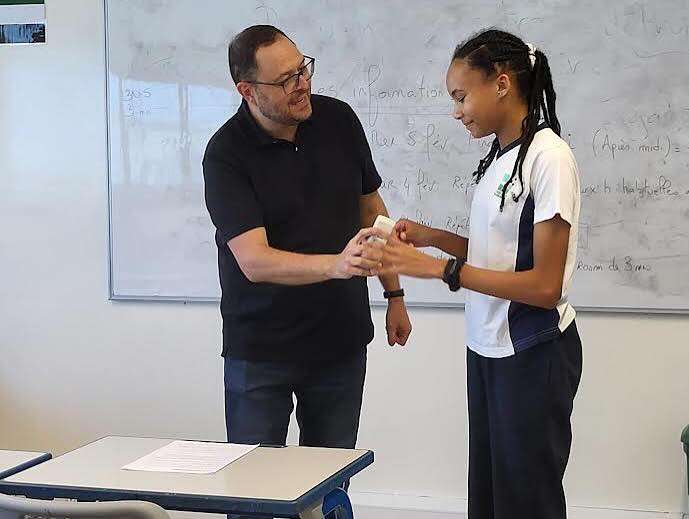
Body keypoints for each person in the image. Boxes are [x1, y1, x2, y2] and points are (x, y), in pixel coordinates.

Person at [370, 29, 583, 519]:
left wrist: (441, 268)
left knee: (526, 499)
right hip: (487, 346)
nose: (456, 110)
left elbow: (544, 286)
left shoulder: (549, 159)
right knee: (490, 495)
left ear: (503, 84)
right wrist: (437, 239)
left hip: (531, 350)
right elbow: (500, 256)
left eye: (461, 96)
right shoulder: (501, 159)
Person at [201, 24, 412, 517]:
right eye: (286, 79)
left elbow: (370, 211)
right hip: (261, 353)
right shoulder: (226, 154)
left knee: (328, 490)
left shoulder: (337, 120)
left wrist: (394, 294)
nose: (302, 84)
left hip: (339, 344)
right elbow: (253, 260)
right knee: (256, 496)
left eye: (303, 69)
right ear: (247, 91)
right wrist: (337, 265)